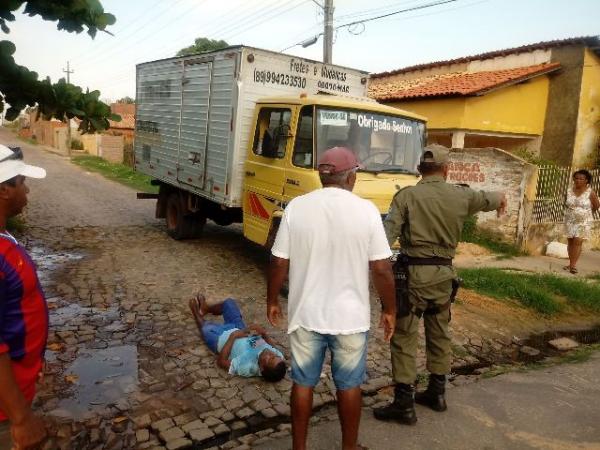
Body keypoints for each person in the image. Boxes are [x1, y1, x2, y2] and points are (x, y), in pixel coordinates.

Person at [267, 146, 396, 450]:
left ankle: (299, 448)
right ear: (351, 177)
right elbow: (381, 268)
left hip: (306, 315)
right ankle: (348, 448)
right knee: (349, 385)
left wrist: (272, 300)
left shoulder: (297, 208)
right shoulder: (366, 211)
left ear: (323, 176)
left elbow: (278, 262)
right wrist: (390, 308)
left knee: (302, 382)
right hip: (350, 319)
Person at [374, 144, 506, 425]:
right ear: (447, 170)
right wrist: (502, 201)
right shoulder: (463, 196)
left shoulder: (406, 196)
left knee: (405, 336)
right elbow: (492, 198)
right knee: (439, 333)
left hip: (412, 278)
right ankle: (437, 393)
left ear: (420, 169)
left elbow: (385, 240)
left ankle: (404, 404)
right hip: (444, 277)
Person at [0, 144, 48, 450]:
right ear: (4, 190)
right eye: (22, 182)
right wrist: (20, 418)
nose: (27, 190)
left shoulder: (4, 239)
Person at [189, 294, 286, 381]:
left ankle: (197, 314)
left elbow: (221, 362)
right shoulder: (278, 358)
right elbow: (274, 348)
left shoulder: (247, 366)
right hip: (240, 329)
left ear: (261, 368)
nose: (271, 352)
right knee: (229, 303)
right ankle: (206, 309)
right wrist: (264, 334)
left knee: (206, 328)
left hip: (220, 338)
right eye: (275, 355)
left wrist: (233, 337)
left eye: (270, 358)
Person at [563, 169, 599, 274]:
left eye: (581, 179)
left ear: (586, 180)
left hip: (584, 221)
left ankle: (573, 266)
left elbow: (596, 205)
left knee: (578, 241)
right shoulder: (569, 191)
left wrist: (586, 213)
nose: (578, 180)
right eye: (576, 178)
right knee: (570, 241)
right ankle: (570, 263)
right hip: (570, 220)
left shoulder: (590, 192)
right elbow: (566, 203)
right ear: (573, 179)